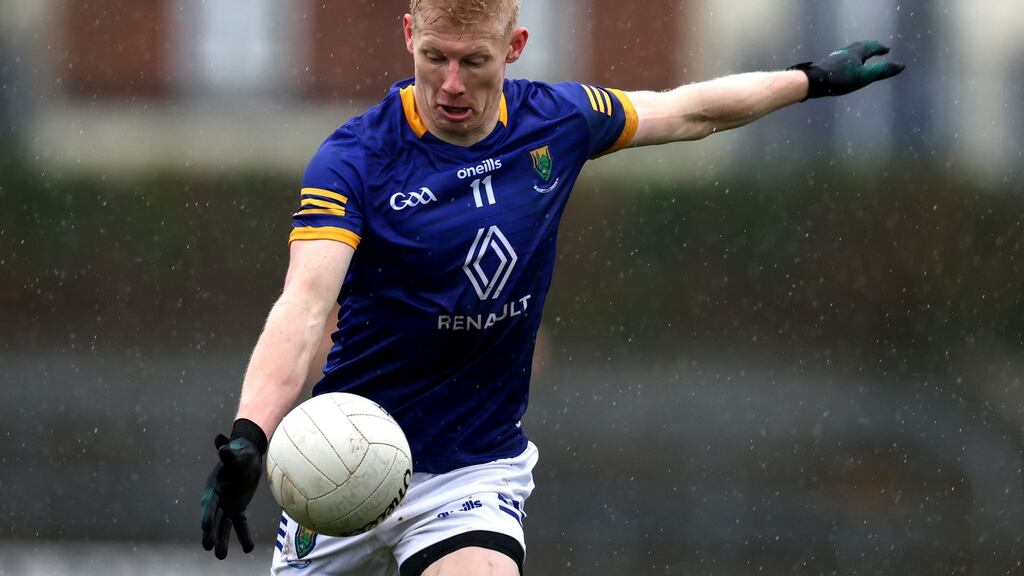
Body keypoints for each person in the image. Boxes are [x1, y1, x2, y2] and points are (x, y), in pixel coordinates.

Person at [200, 1, 904, 574]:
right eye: (434, 58)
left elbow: (690, 110)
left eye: (474, 62)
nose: (451, 84)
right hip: (343, 462)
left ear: (514, 48)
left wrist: (809, 79)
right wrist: (251, 434)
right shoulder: (353, 161)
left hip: (471, 472)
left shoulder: (557, 121)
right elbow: (304, 304)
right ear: (409, 35)